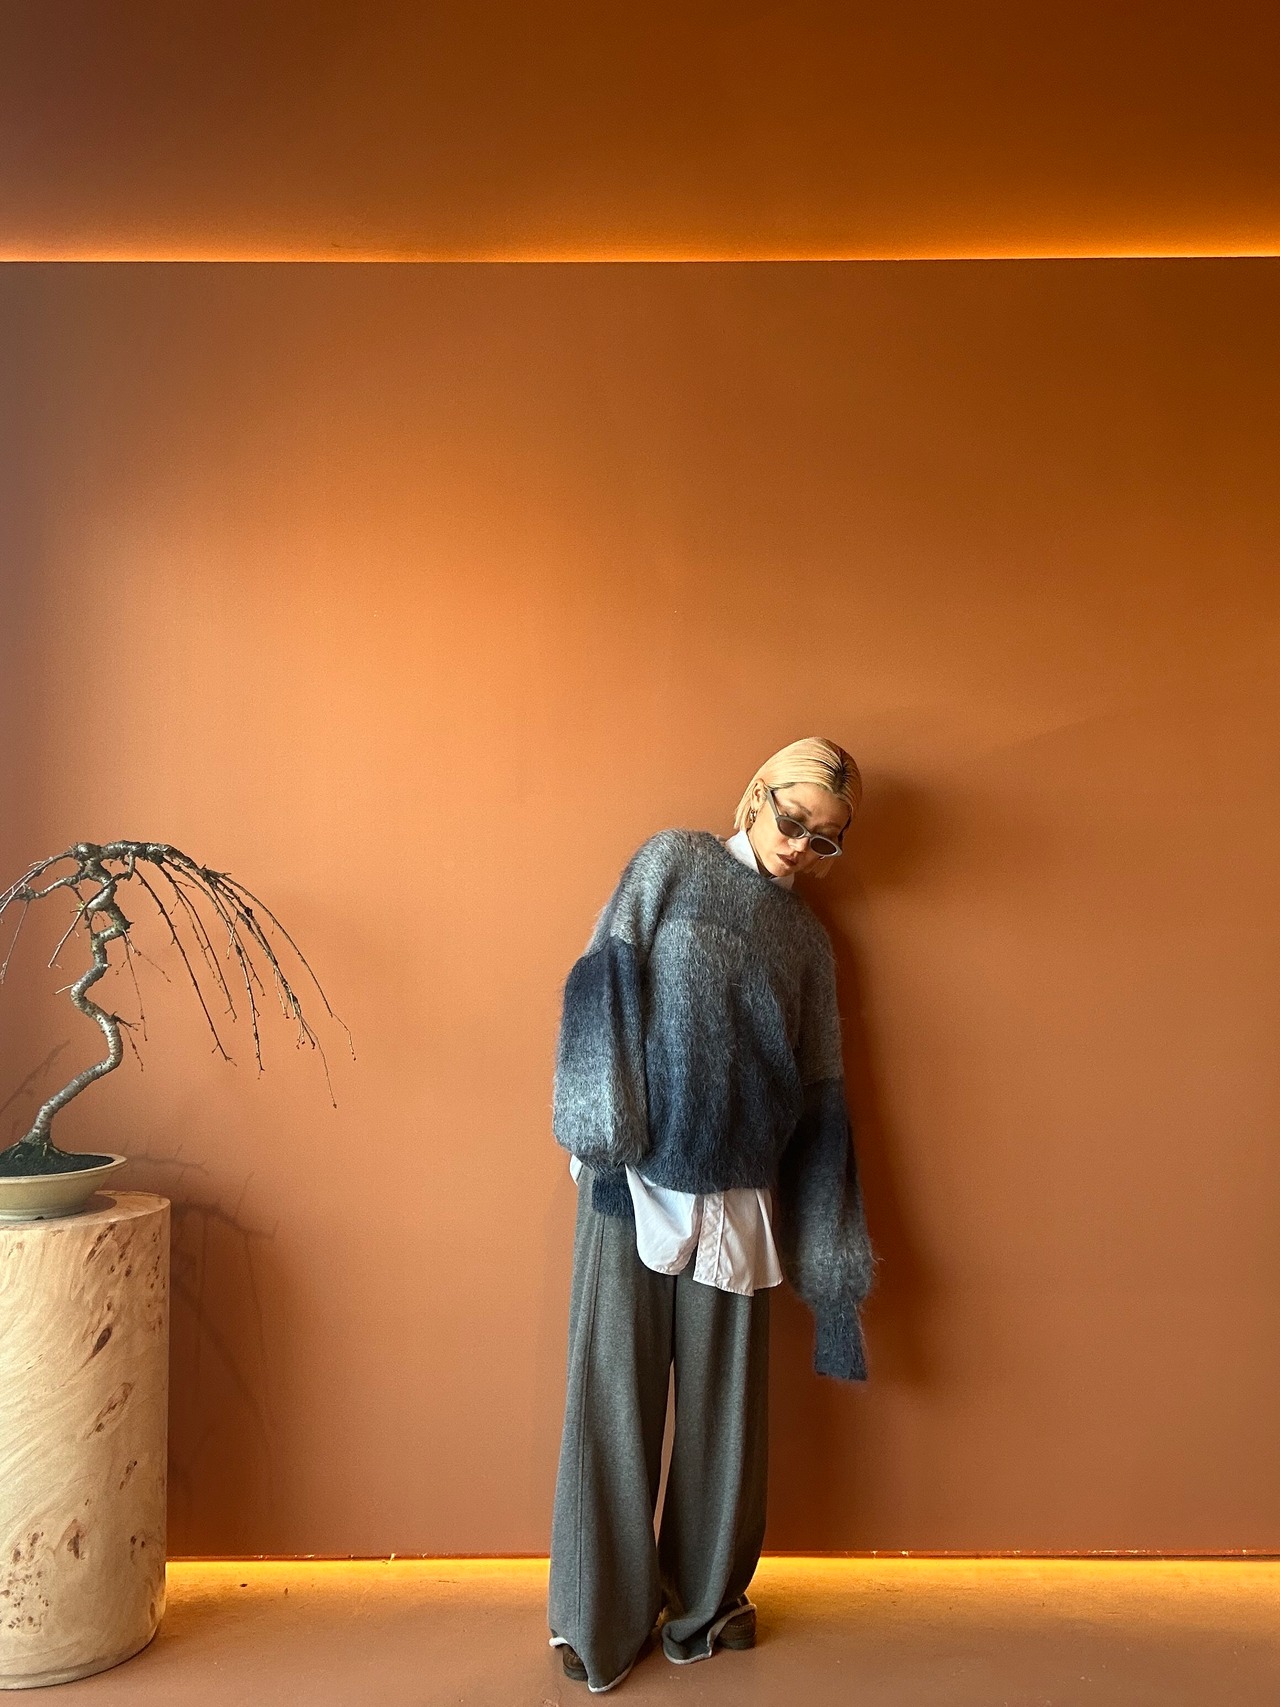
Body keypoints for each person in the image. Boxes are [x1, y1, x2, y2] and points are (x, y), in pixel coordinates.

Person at [546, 736, 875, 1693]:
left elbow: (820, 1099)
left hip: (740, 1197)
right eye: (794, 820)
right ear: (758, 793)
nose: (802, 845)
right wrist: (601, 1132)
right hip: (636, 1177)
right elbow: (601, 981)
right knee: (612, 1402)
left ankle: (707, 1603)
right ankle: (597, 1618)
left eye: (827, 839)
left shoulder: (809, 944)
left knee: (725, 1422)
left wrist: (830, 1258)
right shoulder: (672, 864)